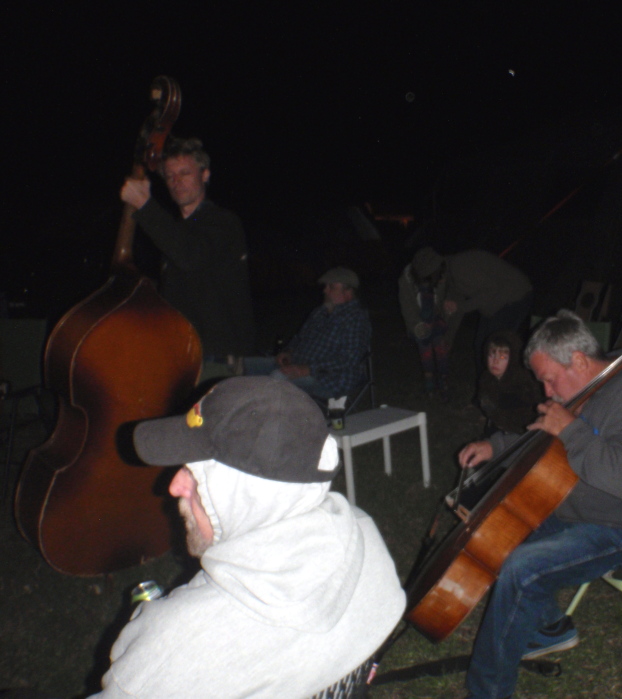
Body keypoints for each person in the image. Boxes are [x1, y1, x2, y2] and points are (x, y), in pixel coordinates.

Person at [91, 376, 405, 698]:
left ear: (245, 499)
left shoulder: (175, 650)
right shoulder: (363, 535)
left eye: (196, 475)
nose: (174, 486)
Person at [457, 310, 622, 699]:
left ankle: (487, 692)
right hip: (581, 510)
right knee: (500, 537)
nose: (547, 392)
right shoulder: (590, 389)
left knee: (522, 568)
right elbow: (544, 441)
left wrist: (571, 429)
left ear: (578, 360)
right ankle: (550, 629)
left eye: (549, 379)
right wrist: (495, 446)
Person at [120, 137, 255, 379]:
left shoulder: (223, 222)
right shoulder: (177, 231)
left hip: (214, 360)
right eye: (170, 176)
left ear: (205, 175)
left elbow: (190, 256)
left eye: (184, 173)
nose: (176, 182)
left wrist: (144, 204)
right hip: (181, 353)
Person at [243, 267, 371, 401]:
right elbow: (299, 338)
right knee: (244, 365)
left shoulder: (356, 318)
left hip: (329, 378)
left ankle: (269, 413)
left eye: (331, 287)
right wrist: (288, 352)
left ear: (348, 292)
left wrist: (308, 369)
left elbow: (349, 359)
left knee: (277, 378)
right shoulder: (320, 312)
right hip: (297, 365)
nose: (325, 290)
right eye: (325, 286)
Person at [407, 247, 533, 371]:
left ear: (435, 270)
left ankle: (502, 381)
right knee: (481, 345)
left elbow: (491, 289)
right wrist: (448, 340)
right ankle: (486, 381)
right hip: (494, 304)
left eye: (429, 278)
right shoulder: (450, 277)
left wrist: (461, 306)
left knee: (496, 346)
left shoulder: (460, 267)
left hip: (515, 296)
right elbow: (456, 311)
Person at [398, 251, 459, 398]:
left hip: (437, 318)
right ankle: (429, 384)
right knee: (425, 349)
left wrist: (449, 304)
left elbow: (451, 290)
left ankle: (443, 383)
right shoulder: (406, 280)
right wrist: (417, 326)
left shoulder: (442, 273)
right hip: (419, 320)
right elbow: (407, 308)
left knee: (441, 348)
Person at [476, 330, 543, 436]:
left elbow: (529, 413)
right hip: (496, 428)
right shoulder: (486, 379)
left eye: (502, 357)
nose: (495, 361)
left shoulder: (523, 383)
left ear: (513, 359)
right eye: (492, 355)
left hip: (519, 433)